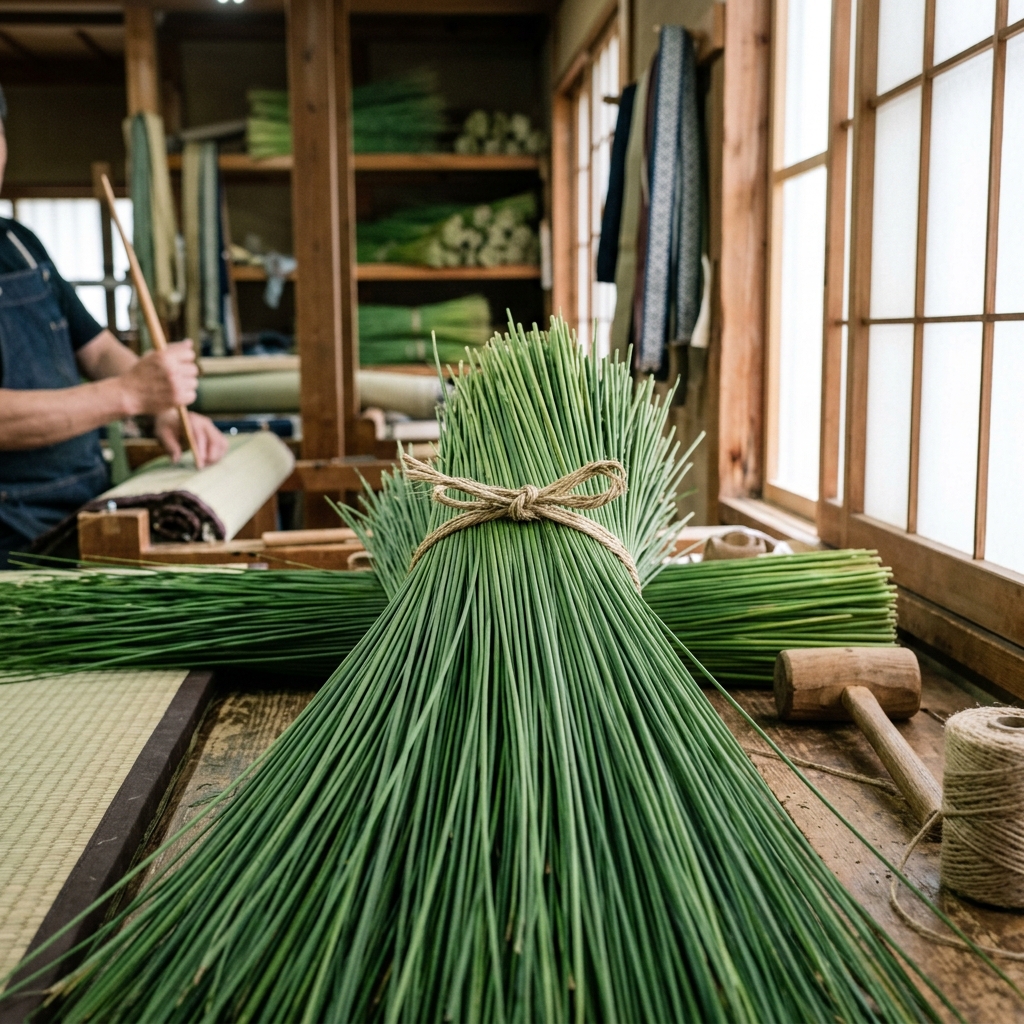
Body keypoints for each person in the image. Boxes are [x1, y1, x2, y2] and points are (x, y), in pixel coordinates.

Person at [0, 85, 228, 568]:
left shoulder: (19, 243)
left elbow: (99, 349)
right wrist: (128, 395)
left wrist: (162, 406)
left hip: (85, 503)